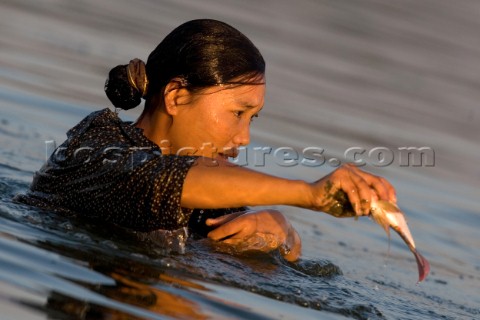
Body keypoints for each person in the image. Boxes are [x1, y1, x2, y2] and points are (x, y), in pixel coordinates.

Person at [15, 19, 396, 262]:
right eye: (237, 113)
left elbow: (224, 216)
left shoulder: (212, 192)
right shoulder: (98, 144)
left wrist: (277, 233)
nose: (244, 138)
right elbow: (164, 178)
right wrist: (310, 194)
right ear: (176, 96)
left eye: (252, 119)